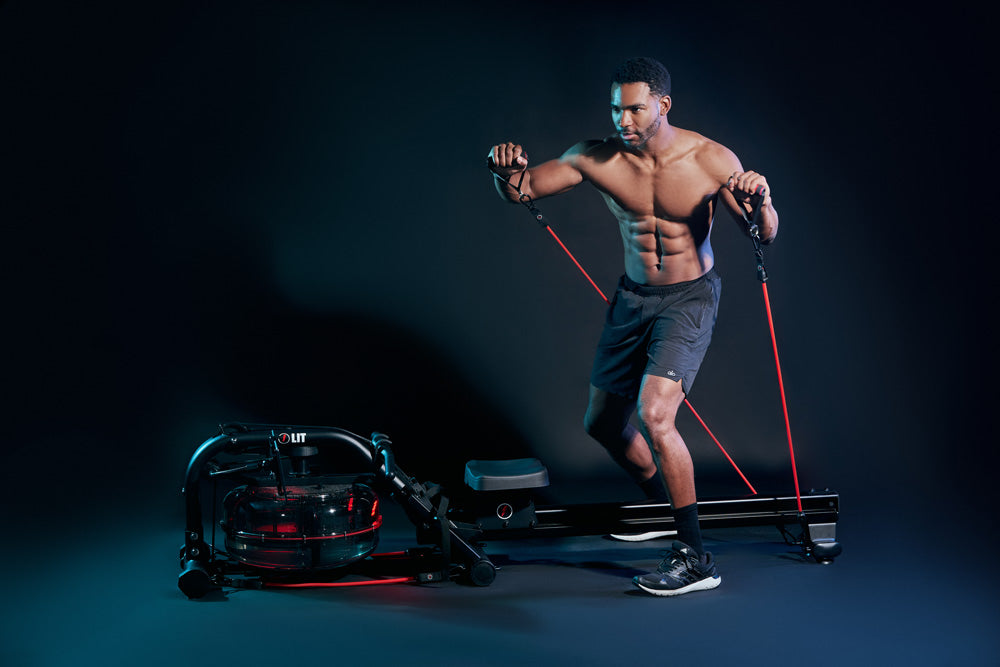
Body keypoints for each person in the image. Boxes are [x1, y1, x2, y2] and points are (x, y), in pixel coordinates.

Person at [487, 57, 778, 597]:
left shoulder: (711, 159)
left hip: (689, 299)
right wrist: (502, 170)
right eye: (617, 108)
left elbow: (763, 233)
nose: (623, 119)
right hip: (632, 298)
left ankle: (695, 558)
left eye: (635, 108)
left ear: (663, 105)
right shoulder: (595, 157)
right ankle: (666, 508)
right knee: (601, 424)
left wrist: (763, 201)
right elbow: (522, 189)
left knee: (654, 414)